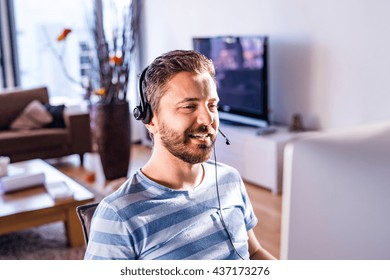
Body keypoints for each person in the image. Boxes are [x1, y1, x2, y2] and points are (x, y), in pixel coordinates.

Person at [84, 50, 276, 260]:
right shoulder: (118, 216)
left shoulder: (229, 179)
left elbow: (254, 252)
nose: (207, 119)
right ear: (150, 119)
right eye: (189, 106)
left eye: (212, 105)